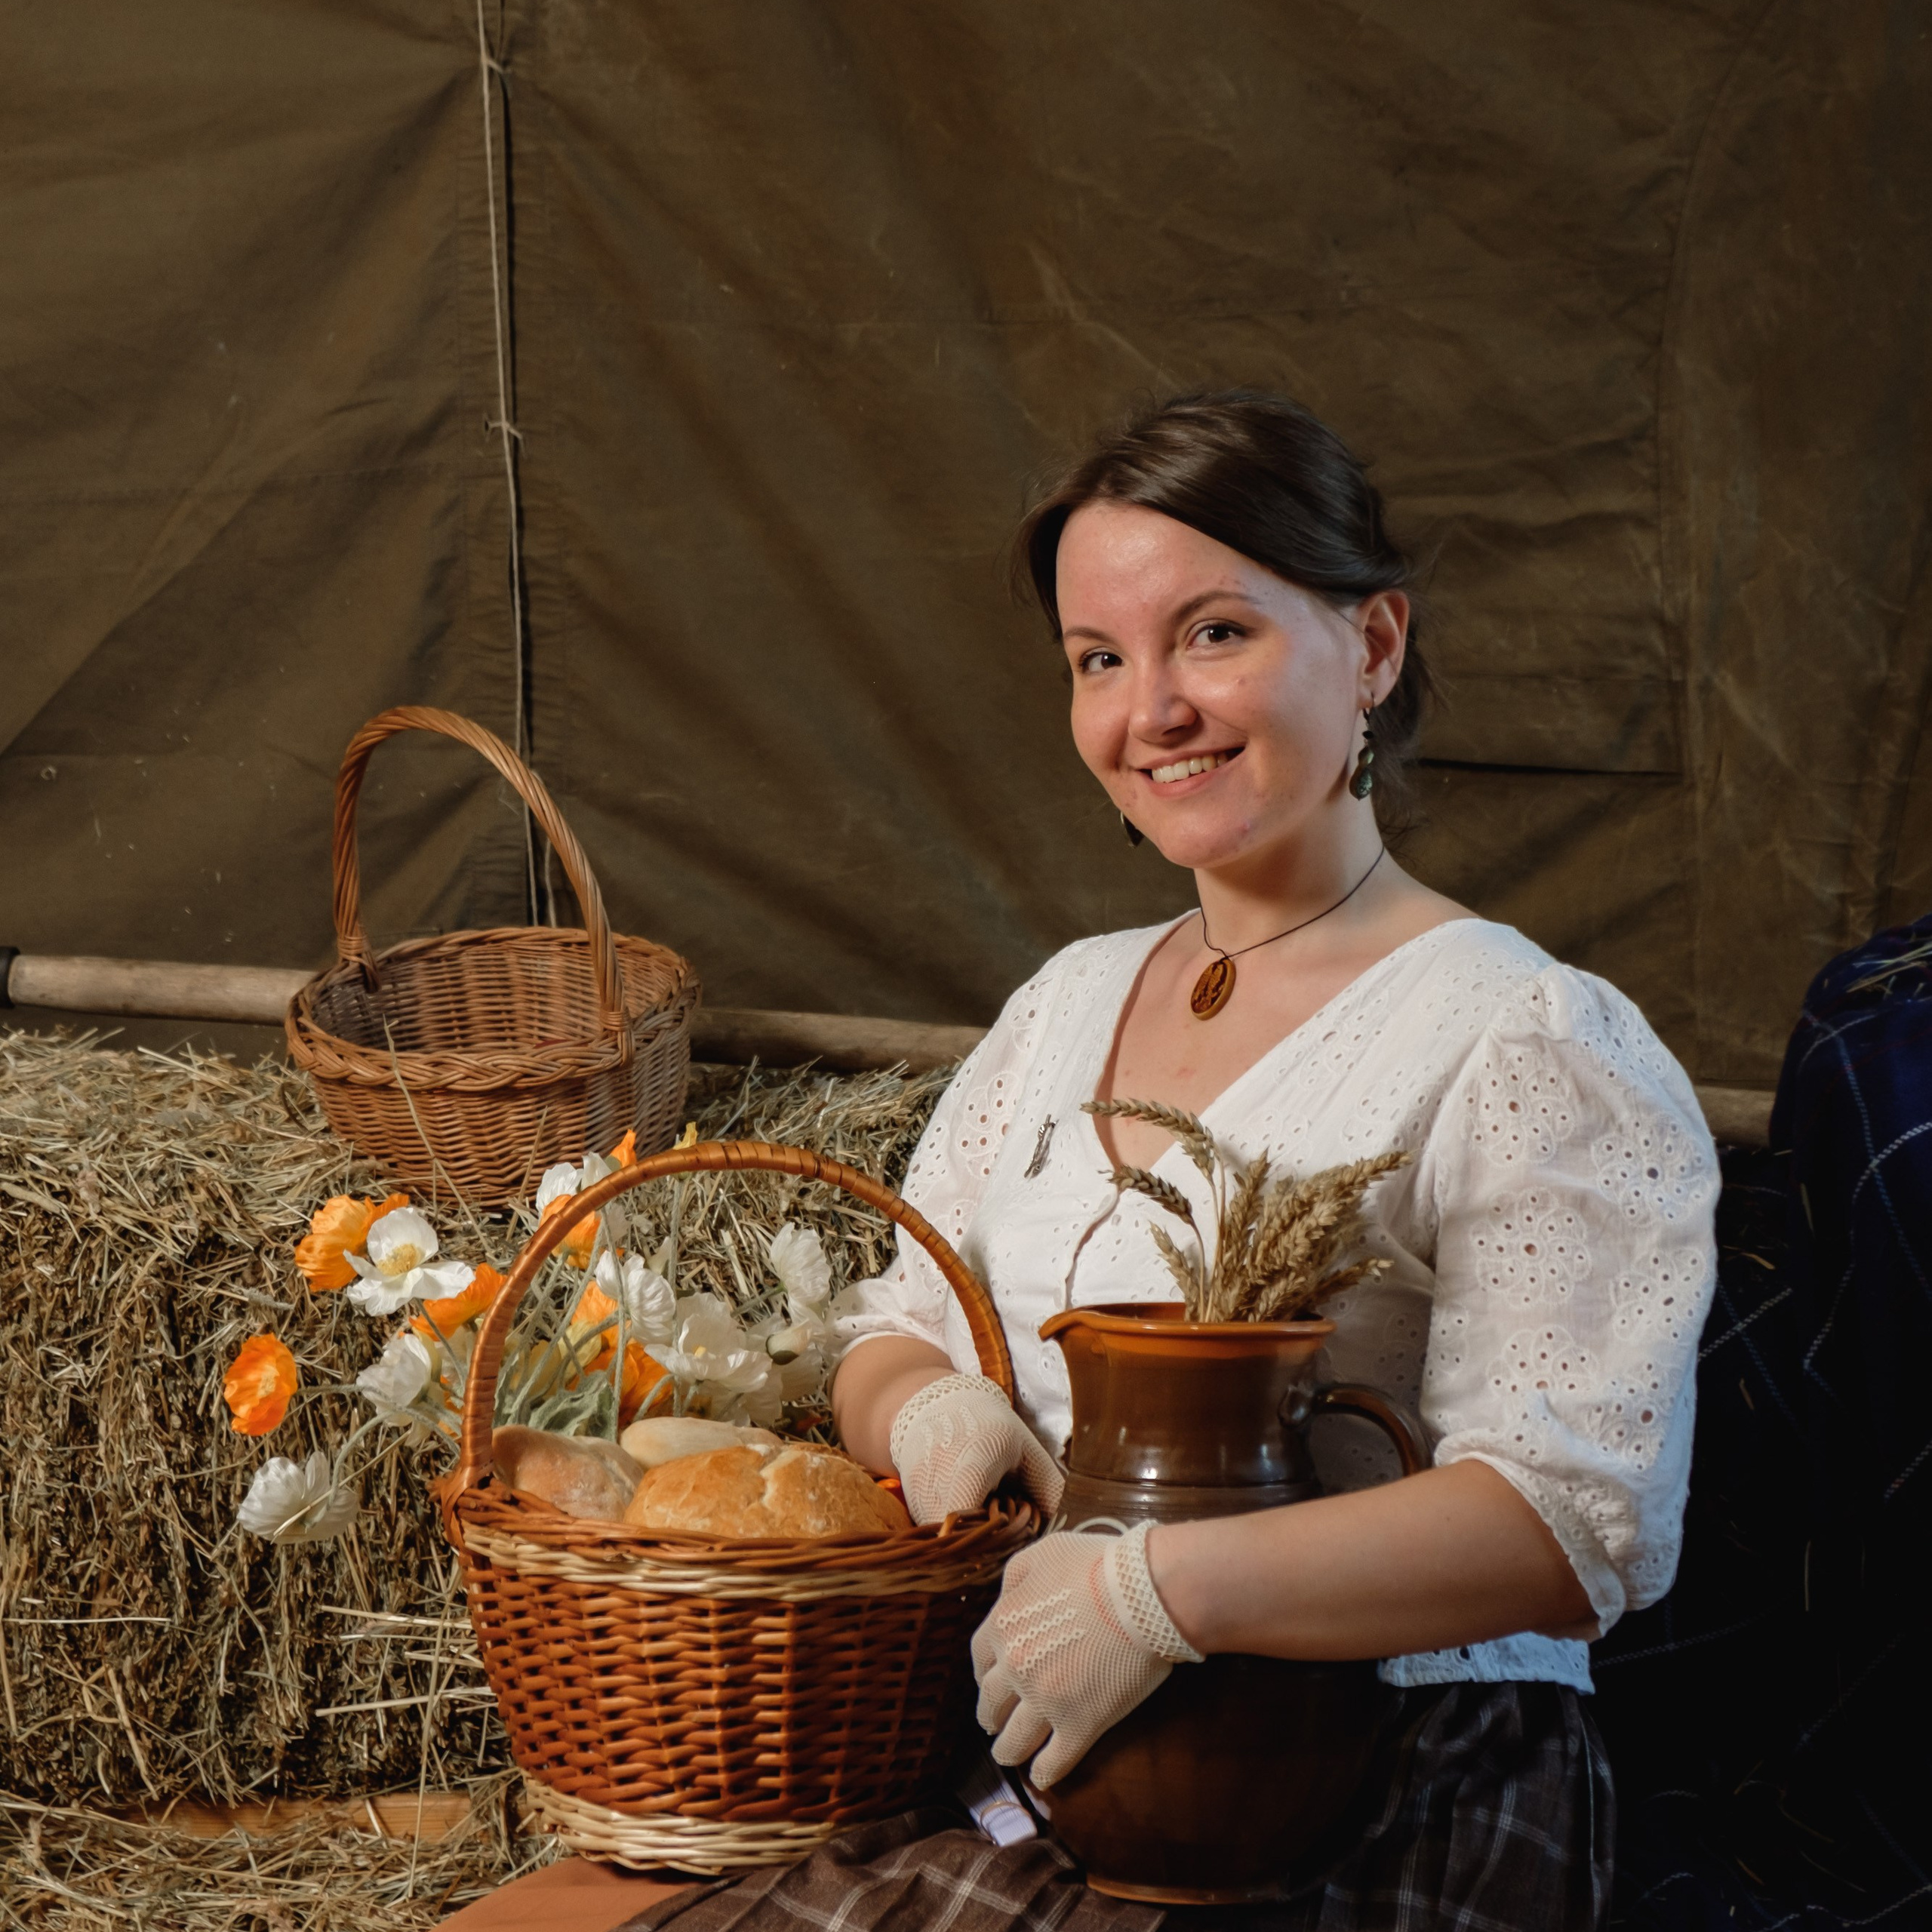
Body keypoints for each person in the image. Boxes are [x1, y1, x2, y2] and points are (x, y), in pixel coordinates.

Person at [826, 392, 1720, 1930]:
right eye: (1096, 660)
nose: (1147, 708)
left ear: (1369, 648)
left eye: (1212, 632)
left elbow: (1571, 1521)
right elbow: (884, 1321)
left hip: (1384, 1766)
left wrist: (1153, 1590)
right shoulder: (1062, 1003)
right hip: (1038, 1746)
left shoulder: (1524, 1034)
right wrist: (926, 1407)